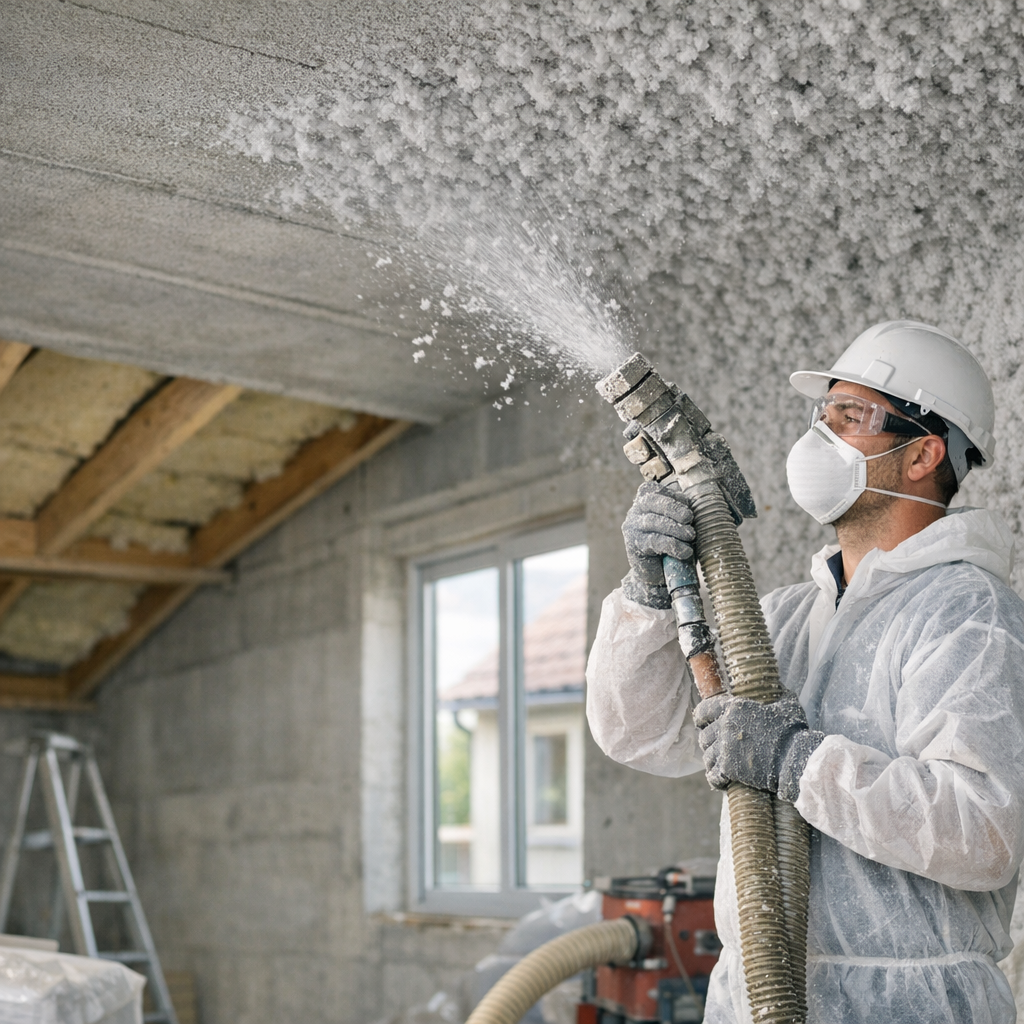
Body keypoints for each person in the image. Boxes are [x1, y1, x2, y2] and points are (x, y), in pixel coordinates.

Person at [586, 321, 1024, 1023]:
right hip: (750, 997)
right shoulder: (784, 620)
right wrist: (645, 592)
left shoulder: (968, 615)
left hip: (908, 1006)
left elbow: (981, 831)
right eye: (821, 414)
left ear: (924, 455)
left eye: (851, 417)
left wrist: (796, 760)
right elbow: (644, 735)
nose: (820, 437)